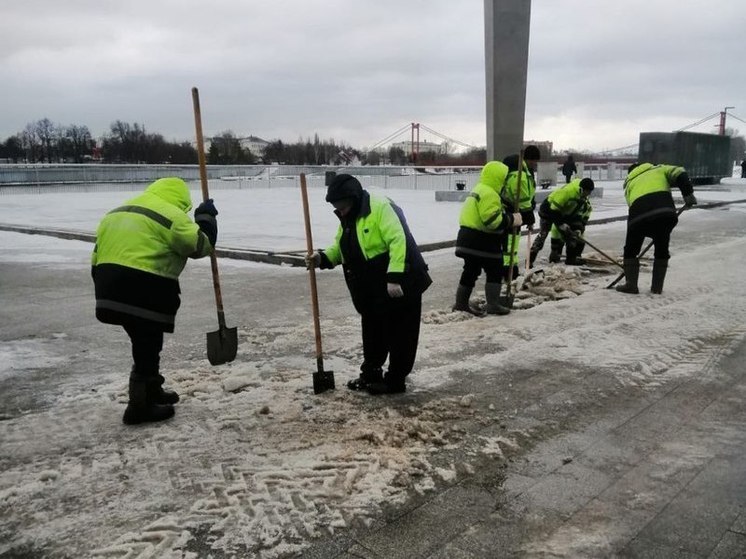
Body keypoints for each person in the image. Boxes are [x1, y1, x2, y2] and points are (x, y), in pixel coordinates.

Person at [92, 177, 218, 425]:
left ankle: (151, 390)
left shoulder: (117, 211)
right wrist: (206, 219)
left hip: (106, 285)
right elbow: (200, 246)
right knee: (147, 341)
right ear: (181, 200)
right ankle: (139, 407)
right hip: (142, 285)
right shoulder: (171, 214)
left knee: (145, 339)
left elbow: (96, 256)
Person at [305, 174, 431, 395]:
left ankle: (395, 380)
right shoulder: (349, 217)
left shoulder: (380, 207)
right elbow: (342, 247)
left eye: (342, 207)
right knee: (373, 330)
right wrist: (322, 258)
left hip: (403, 281)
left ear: (352, 199)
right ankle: (371, 373)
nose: (340, 212)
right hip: (373, 290)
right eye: (337, 208)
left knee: (401, 332)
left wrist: (395, 276)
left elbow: (398, 240)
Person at [615, 163, 697, 295]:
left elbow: (631, 205)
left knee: (631, 249)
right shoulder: (659, 169)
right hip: (665, 212)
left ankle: (631, 285)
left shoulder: (629, 183)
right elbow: (680, 172)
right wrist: (688, 194)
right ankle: (657, 287)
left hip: (639, 215)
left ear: (630, 172)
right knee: (661, 246)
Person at [453, 161, 522, 316]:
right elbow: (492, 222)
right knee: (495, 269)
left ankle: (461, 303)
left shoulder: (479, 189)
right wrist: (512, 219)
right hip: (483, 241)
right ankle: (493, 304)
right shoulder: (490, 193)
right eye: (504, 179)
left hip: (467, 238)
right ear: (498, 178)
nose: (505, 182)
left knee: (470, 271)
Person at [530, 177, 594, 266]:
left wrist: (578, 229)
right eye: (587, 192)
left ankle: (568, 258)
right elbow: (554, 210)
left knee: (570, 235)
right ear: (582, 189)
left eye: (589, 193)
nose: (587, 195)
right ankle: (530, 260)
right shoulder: (567, 191)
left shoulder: (583, 199)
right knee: (543, 235)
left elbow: (578, 216)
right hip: (548, 210)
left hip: (563, 213)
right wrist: (561, 224)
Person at [501, 145, 541, 279]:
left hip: (516, 213)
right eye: (534, 161)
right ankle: (509, 272)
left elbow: (527, 195)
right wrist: (530, 218)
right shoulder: (520, 174)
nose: (535, 164)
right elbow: (522, 198)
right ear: (529, 159)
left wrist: (531, 203)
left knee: (513, 243)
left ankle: (511, 270)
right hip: (512, 213)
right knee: (510, 244)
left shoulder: (525, 171)